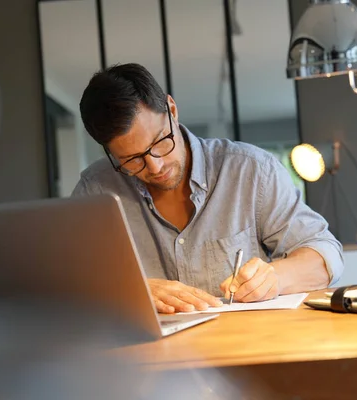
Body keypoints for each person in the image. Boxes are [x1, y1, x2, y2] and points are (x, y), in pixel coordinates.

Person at [72, 63, 343, 314]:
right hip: (147, 359)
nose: (154, 167)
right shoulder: (96, 191)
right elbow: (66, 285)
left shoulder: (251, 170)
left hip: (247, 347)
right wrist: (130, 290)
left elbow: (325, 253)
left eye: (159, 142)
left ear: (172, 109)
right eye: (132, 160)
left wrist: (276, 278)